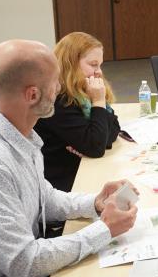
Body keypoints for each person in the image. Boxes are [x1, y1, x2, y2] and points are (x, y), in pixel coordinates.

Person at [0, 39, 138, 277]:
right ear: (32, 95)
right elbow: (24, 264)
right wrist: (103, 230)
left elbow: (44, 196)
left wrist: (94, 203)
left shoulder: (18, 134)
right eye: (55, 82)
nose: (61, 88)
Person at [34, 32, 120, 193]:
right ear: (71, 64)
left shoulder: (82, 91)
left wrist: (99, 138)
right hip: (61, 184)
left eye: (100, 65)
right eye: (93, 64)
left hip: (81, 167)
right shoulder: (58, 100)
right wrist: (98, 102)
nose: (99, 72)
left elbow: (114, 127)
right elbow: (96, 147)